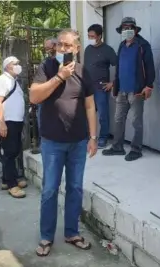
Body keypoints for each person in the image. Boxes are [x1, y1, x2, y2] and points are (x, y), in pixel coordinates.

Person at [30, 28, 98, 257]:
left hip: (78, 142)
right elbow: (34, 96)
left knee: (75, 189)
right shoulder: (47, 67)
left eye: (68, 45)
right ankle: (46, 236)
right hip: (52, 143)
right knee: (50, 190)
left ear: (77, 49)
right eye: (60, 44)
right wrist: (59, 77)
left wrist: (93, 137)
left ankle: (72, 233)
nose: (63, 49)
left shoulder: (83, 72)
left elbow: (90, 106)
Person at [102, 17, 155, 161]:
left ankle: (136, 150)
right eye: (124, 28)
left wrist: (149, 85)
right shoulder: (121, 45)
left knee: (136, 122)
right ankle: (117, 147)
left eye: (130, 28)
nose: (127, 31)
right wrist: (115, 85)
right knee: (118, 119)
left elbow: (150, 67)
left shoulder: (143, 45)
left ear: (135, 30)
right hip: (121, 90)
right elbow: (120, 67)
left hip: (137, 90)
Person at [0, 56, 27, 198]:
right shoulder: (2, 80)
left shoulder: (13, 81)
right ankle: (12, 185)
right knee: (10, 152)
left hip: (15, 121)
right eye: (16, 63)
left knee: (12, 151)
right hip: (7, 121)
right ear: (8, 66)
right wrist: (2, 122)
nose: (18, 65)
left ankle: (6, 180)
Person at [84, 24, 117, 149]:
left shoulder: (107, 50)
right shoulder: (88, 49)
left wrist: (113, 83)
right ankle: (89, 137)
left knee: (103, 114)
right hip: (88, 88)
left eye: (92, 36)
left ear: (99, 36)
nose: (90, 38)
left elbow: (119, 65)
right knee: (88, 114)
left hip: (101, 88)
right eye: (89, 36)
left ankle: (103, 137)